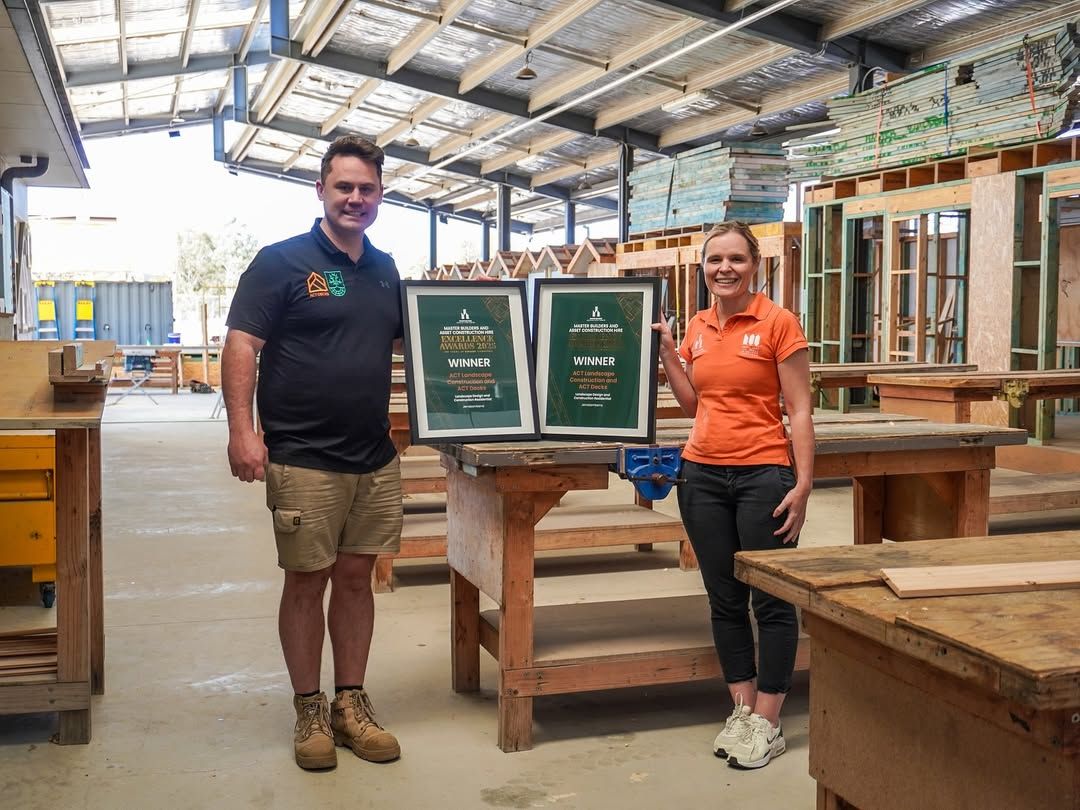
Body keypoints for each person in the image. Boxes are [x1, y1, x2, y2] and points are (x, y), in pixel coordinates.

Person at [223, 135, 404, 771]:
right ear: (321, 190)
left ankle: (350, 704)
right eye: (344, 187)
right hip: (303, 456)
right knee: (307, 581)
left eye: (367, 189)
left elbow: (436, 345)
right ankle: (309, 709)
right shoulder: (281, 263)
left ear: (381, 194)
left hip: (375, 457)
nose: (356, 198)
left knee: (357, 581)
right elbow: (242, 344)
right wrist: (243, 433)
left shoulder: (385, 269)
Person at [652, 221, 814, 770]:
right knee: (724, 600)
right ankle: (741, 710)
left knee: (769, 599)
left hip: (762, 476)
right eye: (715, 259)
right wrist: (672, 354)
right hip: (700, 476)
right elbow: (696, 405)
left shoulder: (777, 323)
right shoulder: (697, 325)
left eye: (736, 259)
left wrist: (804, 483)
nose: (725, 268)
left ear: (754, 265)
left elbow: (800, 411)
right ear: (704, 267)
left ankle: (768, 720)